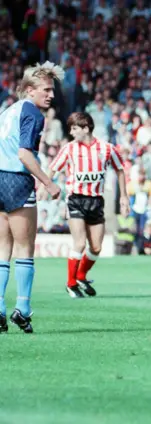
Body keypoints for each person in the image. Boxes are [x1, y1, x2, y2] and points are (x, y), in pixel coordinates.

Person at [0, 62, 63, 333]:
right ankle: (22, 309)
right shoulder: (33, 114)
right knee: (25, 248)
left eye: (52, 90)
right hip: (16, 179)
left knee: (3, 249)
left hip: (0, 178)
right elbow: (25, 154)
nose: (51, 95)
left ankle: (0, 308)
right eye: (46, 90)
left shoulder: (9, 110)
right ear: (30, 90)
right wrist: (48, 183)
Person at [43, 112, 129, 298]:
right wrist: (47, 185)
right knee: (79, 243)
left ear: (86, 128)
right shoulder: (69, 149)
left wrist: (124, 196)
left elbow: (120, 170)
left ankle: (81, 275)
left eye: (75, 129)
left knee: (96, 247)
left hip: (96, 200)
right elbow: (53, 168)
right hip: (76, 199)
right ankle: (71, 283)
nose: (72, 133)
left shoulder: (107, 149)